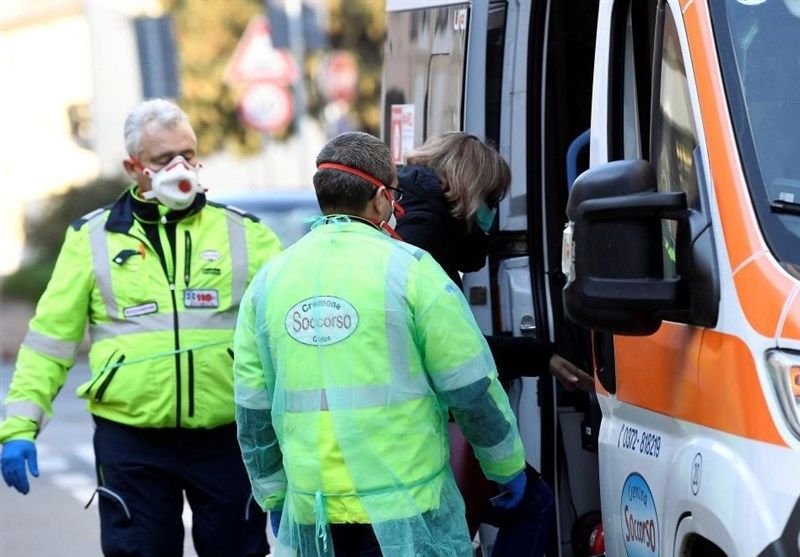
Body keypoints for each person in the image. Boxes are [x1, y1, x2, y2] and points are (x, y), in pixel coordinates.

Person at [0, 99, 281, 557]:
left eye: (187, 154)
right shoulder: (91, 240)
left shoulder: (245, 233)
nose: (179, 167)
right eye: (163, 158)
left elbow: (284, 332)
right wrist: (20, 426)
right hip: (131, 441)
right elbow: (50, 342)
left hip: (226, 436)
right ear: (134, 168)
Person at [233, 131, 528, 556]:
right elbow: (470, 388)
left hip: (313, 511)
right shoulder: (414, 271)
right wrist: (506, 466)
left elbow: (252, 410)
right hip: (404, 509)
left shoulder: (269, 282)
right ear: (379, 198)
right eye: (394, 193)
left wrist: (274, 495)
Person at [395, 131, 595, 556]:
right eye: (491, 200)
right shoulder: (426, 237)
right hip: (409, 435)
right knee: (533, 504)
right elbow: (453, 353)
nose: (491, 215)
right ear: (471, 190)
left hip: (388, 434)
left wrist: (540, 356)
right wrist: (537, 356)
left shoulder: (406, 218)